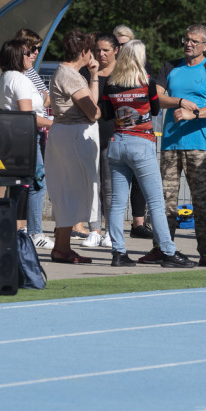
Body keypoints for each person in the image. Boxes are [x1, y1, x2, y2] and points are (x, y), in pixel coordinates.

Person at [102, 40, 196, 268]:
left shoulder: (111, 84)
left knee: (116, 203)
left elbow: (106, 114)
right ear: (140, 58)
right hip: (141, 143)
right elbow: (155, 110)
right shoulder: (147, 83)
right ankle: (168, 251)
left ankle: (118, 252)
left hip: (117, 142)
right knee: (155, 201)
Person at [140, 24, 206, 267]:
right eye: (186, 39)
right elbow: (155, 98)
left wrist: (196, 113)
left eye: (194, 41)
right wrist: (179, 101)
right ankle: (162, 249)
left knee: (202, 202)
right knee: (164, 201)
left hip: (199, 147)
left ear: (205, 46)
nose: (188, 44)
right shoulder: (170, 67)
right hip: (170, 143)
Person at [45, 29, 101, 263]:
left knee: (70, 190)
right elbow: (93, 111)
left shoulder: (68, 73)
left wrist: (94, 75)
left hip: (65, 133)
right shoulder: (69, 75)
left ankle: (62, 246)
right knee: (71, 190)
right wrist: (96, 111)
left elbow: (91, 103)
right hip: (73, 136)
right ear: (85, 51)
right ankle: (62, 248)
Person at [0, 37, 53, 250]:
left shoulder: (8, 76)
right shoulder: (19, 79)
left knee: (20, 185)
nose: (32, 55)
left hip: (16, 137)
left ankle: (19, 230)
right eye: (27, 52)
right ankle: (35, 232)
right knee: (37, 183)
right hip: (26, 136)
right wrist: (53, 124)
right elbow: (27, 115)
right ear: (16, 56)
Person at [77, 32, 119, 249]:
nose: (101, 54)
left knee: (110, 187)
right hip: (90, 134)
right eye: (98, 50)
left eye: (106, 50)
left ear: (116, 51)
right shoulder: (86, 72)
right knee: (92, 185)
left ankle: (112, 231)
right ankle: (94, 229)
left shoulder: (123, 74)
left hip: (114, 135)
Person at [111, 24, 152, 238]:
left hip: (128, 137)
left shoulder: (143, 77)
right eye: (117, 44)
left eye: (125, 44)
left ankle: (137, 225)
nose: (121, 48)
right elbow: (154, 108)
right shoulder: (113, 75)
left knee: (135, 187)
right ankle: (165, 248)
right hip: (128, 137)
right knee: (118, 194)